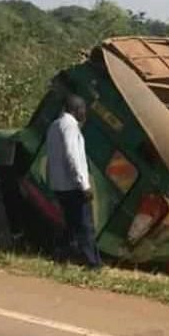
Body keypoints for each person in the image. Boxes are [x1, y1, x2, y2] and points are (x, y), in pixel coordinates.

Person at [46, 94, 102, 269]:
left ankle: (61, 257)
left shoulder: (54, 126)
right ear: (75, 109)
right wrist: (83, 185)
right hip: (72, 186)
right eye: (83, 109)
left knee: (69, 224)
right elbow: (73, 156)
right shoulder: (69, 126)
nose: (84, 112)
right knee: (85, 225)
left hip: (59, 185)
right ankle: (93, 262)